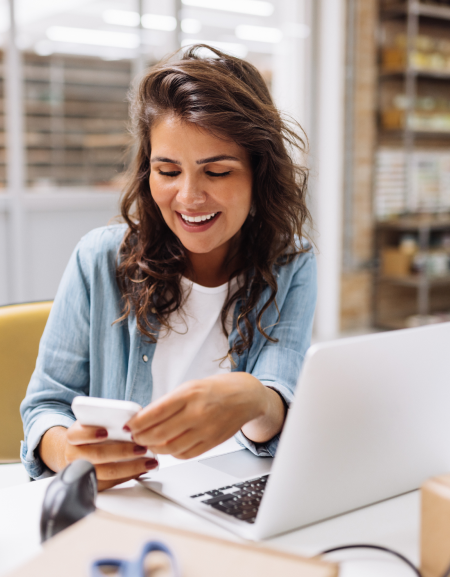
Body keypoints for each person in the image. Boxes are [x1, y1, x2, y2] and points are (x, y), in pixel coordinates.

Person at [20, 45, 317, 491]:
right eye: (168, 171)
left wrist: (256, 399)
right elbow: (46, 405)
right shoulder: (98, 259)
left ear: (259, 173)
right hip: (123, 501)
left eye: (217, 172)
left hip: (229, 495)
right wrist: (68, 453)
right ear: (148, 172)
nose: (189, 197)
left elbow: (277, 402)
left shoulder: (291, 262)